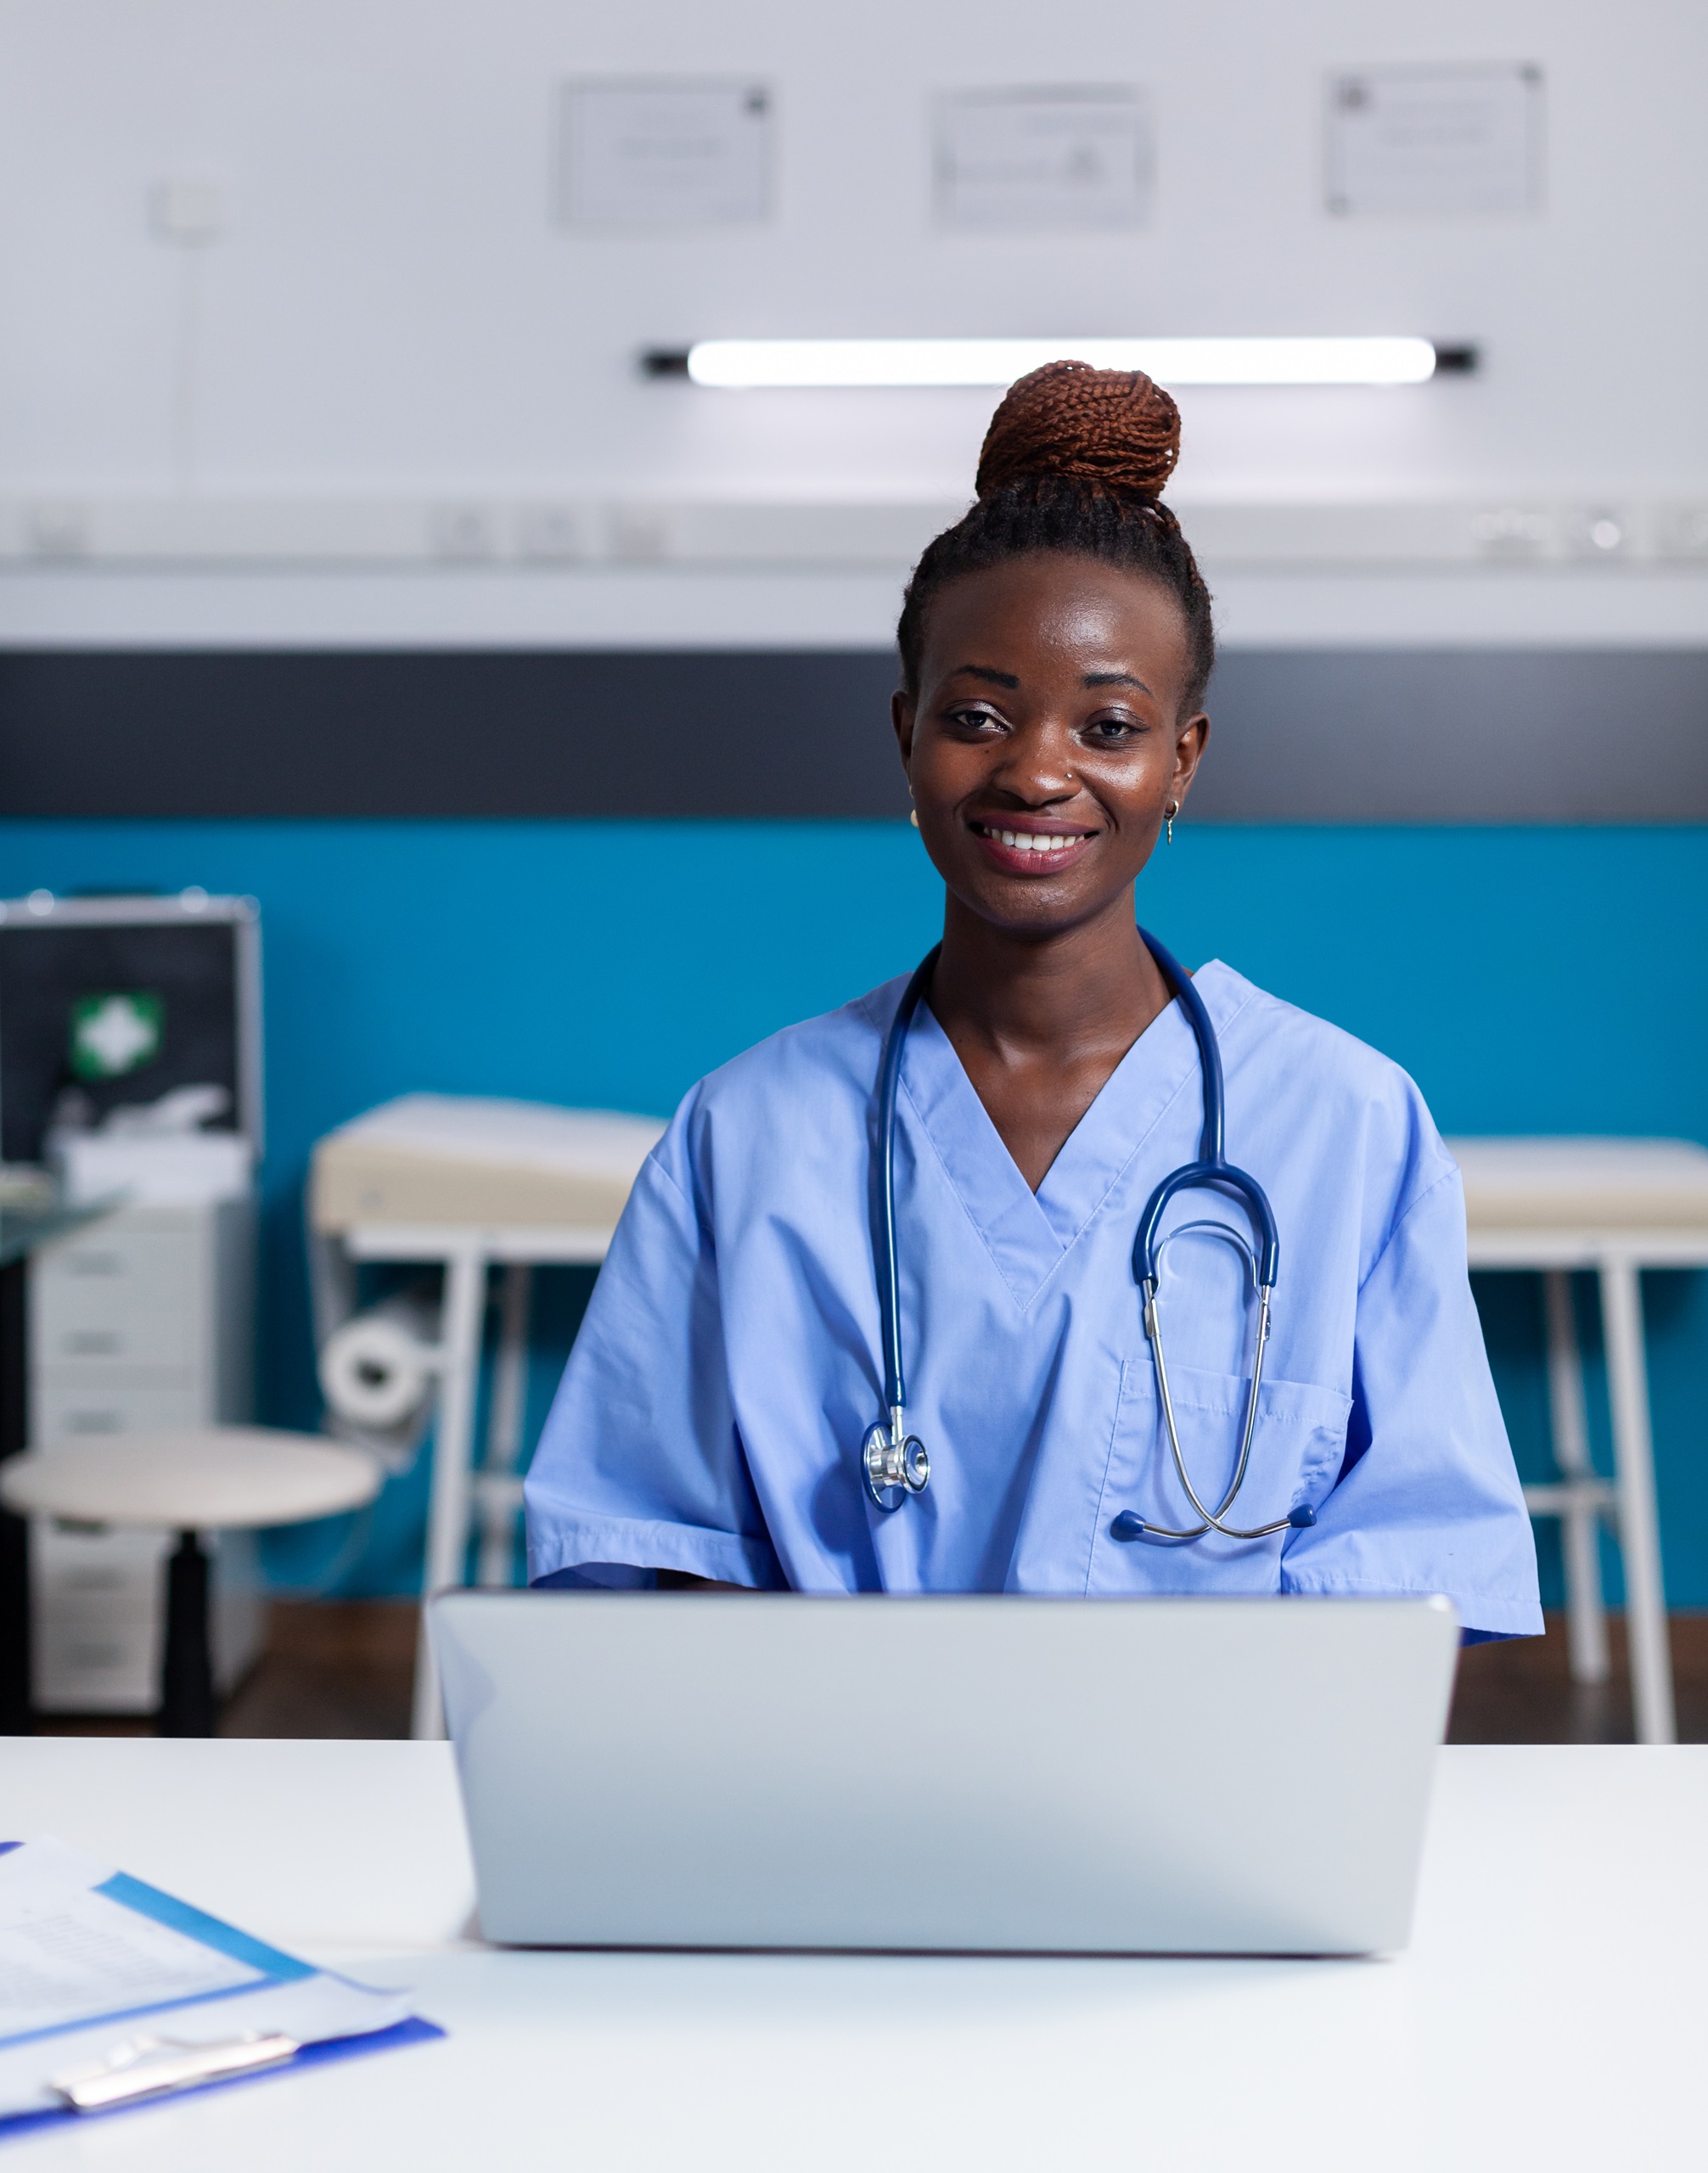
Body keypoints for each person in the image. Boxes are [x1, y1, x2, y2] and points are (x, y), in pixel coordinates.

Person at [525, 360, 1541, 1639]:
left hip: (1211, 1796)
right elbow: (651, 1551)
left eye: (1108, 727)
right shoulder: (746, 1133)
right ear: (907, 736)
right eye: (979, 714)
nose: (1037, 770)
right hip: (835, 1799)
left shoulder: (1346, 1122)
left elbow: (1411, 1577)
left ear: (1184, 759)